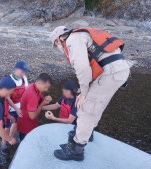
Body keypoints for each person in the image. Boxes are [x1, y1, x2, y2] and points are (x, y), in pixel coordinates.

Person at [50, 26, 132, 161]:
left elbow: (82, 68)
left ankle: (76, 150)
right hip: (120, 70)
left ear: (60, 38)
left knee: (86, 109)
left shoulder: (72, 40)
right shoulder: (82, 34)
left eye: (56, 44)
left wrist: (83, 93)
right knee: (98, 104)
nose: (57, 46)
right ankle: (88, 132)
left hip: (109, 73)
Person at [1, 61, 30, 155]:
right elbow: (7, 97)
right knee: (7, 127)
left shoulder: (24, 78)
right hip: (9, 107)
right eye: (22, 71)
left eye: (25, 72)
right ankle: (3, 144)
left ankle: (10, 138)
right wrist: (16, 109)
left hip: (20, 106)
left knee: (16, 123)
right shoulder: (9, 80)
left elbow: (26, 91)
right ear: (16, 70)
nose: (24, 74)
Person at [17, 73, 53, 141]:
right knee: (26, 145)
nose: (46, 90)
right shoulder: (32, 95)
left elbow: (39, 98)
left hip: (25, 122)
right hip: (26, 126)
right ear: (39, 83)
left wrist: (44, 99)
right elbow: (32, 116)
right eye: (45, 87)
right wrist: (42, 104)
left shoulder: (33, 86)